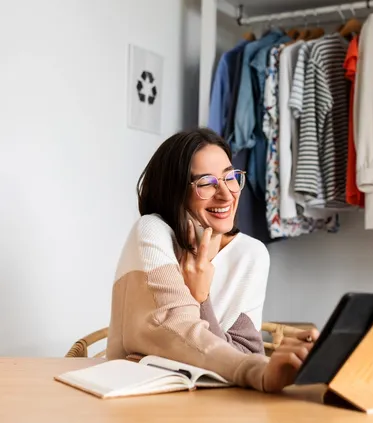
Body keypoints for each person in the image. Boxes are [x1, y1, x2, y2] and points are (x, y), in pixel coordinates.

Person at [106, 127, 318, 393]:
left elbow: (243, 351)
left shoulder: (251, 255)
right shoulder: (151, 232)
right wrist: (257, 370)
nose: (227, 194)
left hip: (216, 404)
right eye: (207, 183)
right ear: (175, 191)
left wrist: (201, 299)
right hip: (131, 401)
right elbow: (174, 328)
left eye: (230, 177)